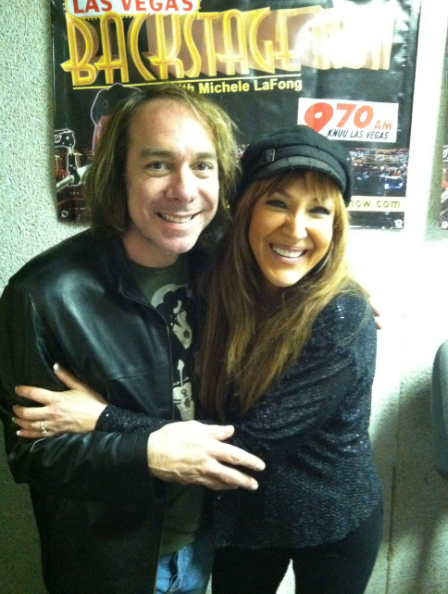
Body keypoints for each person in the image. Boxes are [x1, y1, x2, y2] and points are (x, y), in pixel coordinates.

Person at [12, 126, 383, 594]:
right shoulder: (219, 279)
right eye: (277, 203)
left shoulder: (342, 316)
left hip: (328, 519)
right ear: (246, 211)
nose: (296, 228)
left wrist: (102, 418)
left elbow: (243, 447)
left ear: (337, 226)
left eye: (319, 211)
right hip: (239, 519)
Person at [0, 84, 266, 594]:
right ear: (118, 173)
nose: (184, 190)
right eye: (158, 165)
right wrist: (145, 452)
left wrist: (338, 294)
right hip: (109, 566)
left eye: (203, 166)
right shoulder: (43, 294)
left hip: (208, 546)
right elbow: (31, 454)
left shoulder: (229, 268)